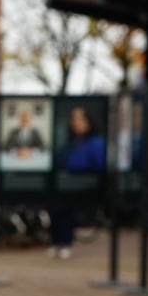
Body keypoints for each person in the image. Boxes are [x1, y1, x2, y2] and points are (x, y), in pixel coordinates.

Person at [48, 105, 107, 259]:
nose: (76, 122)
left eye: (80, 118)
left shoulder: (96, 143)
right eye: (73, 119)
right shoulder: (68, 143)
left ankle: (66, 243)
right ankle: (56, 243)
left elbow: (99, 167)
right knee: (55, 211)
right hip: (63, 184)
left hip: (82, 186)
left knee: (68, 212)